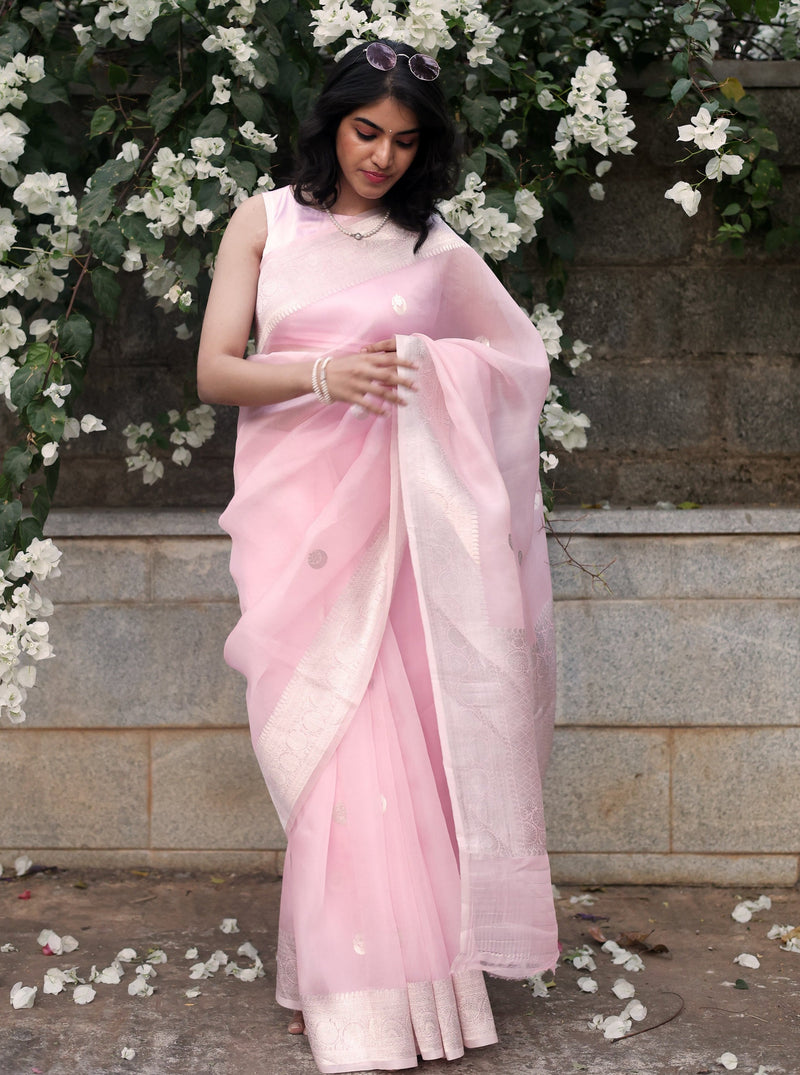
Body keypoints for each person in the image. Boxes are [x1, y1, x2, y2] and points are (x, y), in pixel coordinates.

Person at [197, 38, 559, 1075]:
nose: (381, 158)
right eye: (366, 132)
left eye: (404, 142)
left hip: (398, 529)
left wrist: (420, 366)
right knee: (309, 752)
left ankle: (373, 1001)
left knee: (378, 756)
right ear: (332, 122)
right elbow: (218, 372)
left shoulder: (433, 251)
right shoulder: (262, 222)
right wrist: (324, 374)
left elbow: (514, 359)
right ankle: (346, 978)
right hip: (296, 521)